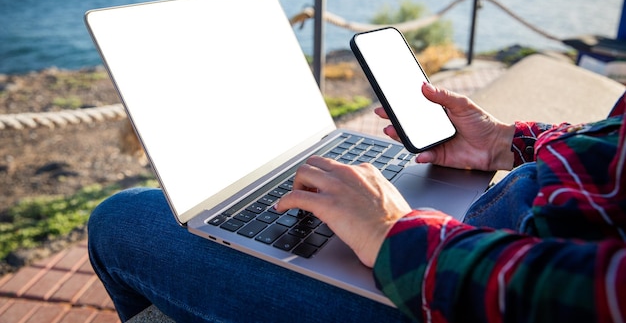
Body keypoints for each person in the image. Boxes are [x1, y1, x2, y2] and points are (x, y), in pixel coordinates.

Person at [88, 82, 626, 322]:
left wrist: (396, 233)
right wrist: (509, 140)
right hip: (518, 222)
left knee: (122, 221)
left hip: (460, 290)